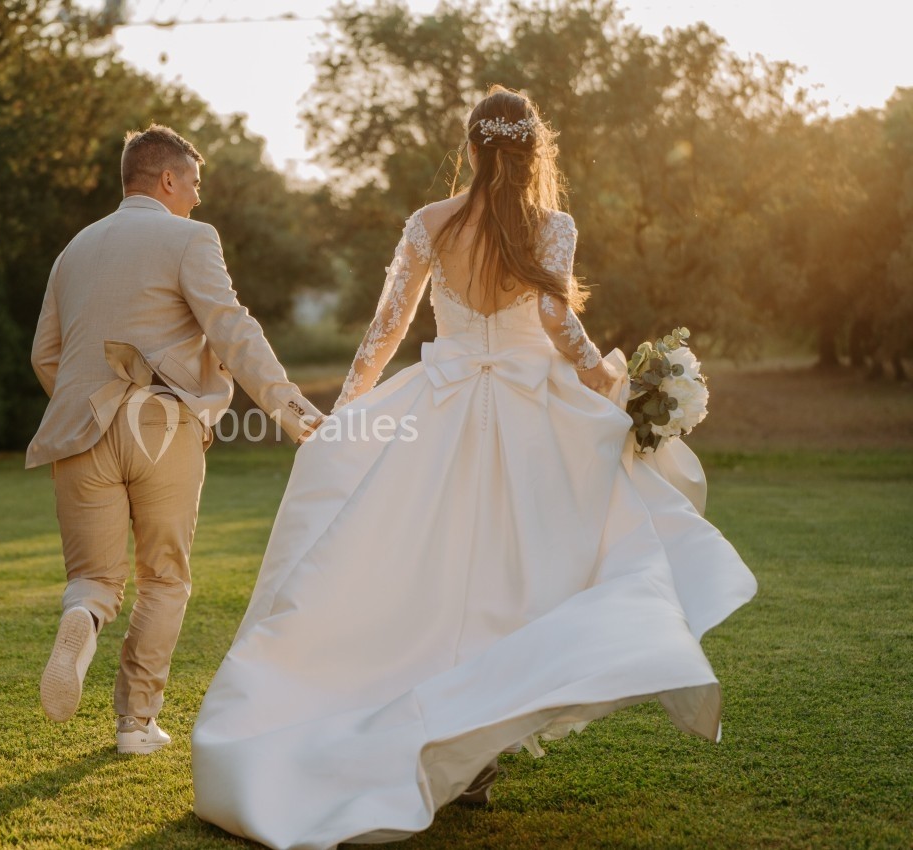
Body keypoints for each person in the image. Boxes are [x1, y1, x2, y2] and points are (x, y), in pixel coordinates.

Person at [191, 86, 757, 848]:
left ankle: (454, 741)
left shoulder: (432, 223)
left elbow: (386, 326)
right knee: (525, 576)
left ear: (471, 147)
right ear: (534, 149)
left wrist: (350, 410)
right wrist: (613, 384)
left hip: (441, 409)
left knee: (427, 580)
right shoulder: (551, 227)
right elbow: (559, 322)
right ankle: (478, 747)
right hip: (534, 416)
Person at [27, 124, 322, 755]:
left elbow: (45, 353)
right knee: (164, 578)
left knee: (94, 579)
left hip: (81, 427)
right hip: (163, 426)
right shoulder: (190, 238)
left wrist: (86, 402)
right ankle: (136, 725)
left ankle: (81, 617)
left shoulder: (74, 249)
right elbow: (231, 329)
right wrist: (292, 410)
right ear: (166, 179)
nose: (197, 196)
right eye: (193, 182)